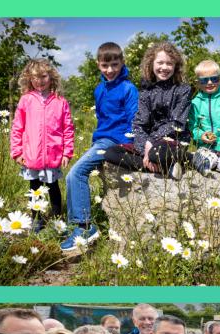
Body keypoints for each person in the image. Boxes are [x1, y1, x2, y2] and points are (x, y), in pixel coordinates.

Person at [61, 42, 137, 253]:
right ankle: (74, 225)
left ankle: (84, 227)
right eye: (105, 65)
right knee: (73, 174)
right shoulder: (99, 89)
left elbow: (134, 120)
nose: (110, 70)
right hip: (101, 140)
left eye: (114, 64)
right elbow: (102, 119)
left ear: (122, 62)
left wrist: (129, 146)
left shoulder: (129, 89)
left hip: (116, 141)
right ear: (98, 65)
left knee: (75, 174)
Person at [104, 42, 191, 180]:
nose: (164, 67)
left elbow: (177, 123)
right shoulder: (146, 92)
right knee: (110, 153)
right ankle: (164, 167)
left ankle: (187, 158)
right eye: (160, 62)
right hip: (149, 144)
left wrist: (152, 142)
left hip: (172, 141)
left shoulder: (183, 89)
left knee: (158, 153)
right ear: (151, 64)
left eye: (169, 63)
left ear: (176, 66)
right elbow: (139, 125)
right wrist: (145, 147)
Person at [10, 58, 74, 227]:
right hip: (32, 155)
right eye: (35, 77)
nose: (39, 81)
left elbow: (68, 128)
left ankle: (57, 221)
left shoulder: (60, 101)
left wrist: (67, 152)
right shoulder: (26, 100)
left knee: (53, 187)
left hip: (53, 155)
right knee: (35, 188)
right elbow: (17, 127)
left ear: (51, 77)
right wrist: (17, 152)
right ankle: (37, 220)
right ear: (29, 79)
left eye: (44, 76)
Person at [188, 59, 220, 175]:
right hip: (204, 146)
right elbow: (192, 126)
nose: (209, 83)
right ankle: (205, 164)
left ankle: (219, 164)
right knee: (204, 158)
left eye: (214, 79)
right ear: (197, 82)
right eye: (204, 80)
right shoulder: (195, 102)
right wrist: (200, 136)